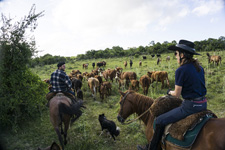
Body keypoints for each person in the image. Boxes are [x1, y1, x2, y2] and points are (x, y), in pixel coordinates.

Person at [137, 39, 207, 150]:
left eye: (176, 53)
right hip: (203, 104)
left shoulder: (181, 70)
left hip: (189, 107)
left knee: (159, 120)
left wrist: (169, 92)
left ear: (182, 55)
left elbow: (176, 95)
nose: (175, 56)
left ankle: (152, 148)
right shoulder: (200, 68)